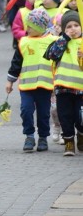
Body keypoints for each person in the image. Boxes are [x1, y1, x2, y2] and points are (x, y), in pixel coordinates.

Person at [5, 7, 54, 153]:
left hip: (45, 86)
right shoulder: (24, 42)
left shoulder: (52, 41)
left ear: (41, 27)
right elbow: (16, 63)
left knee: (44, 113)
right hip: (27, 85)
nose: (28, 29)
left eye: (31, 26)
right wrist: (10, 81)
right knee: (26, 110)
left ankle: (43, 137)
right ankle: (29, 136)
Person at [43, 10, 83, 156]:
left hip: (80, 90)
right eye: (69, 27)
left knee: (81, 117)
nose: (73, 29)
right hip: (63, 88)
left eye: (76, 25)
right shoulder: (61, 42)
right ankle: (69, 143)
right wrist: (64, 38)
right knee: (65, 116)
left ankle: (81, 135)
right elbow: (52, 55)